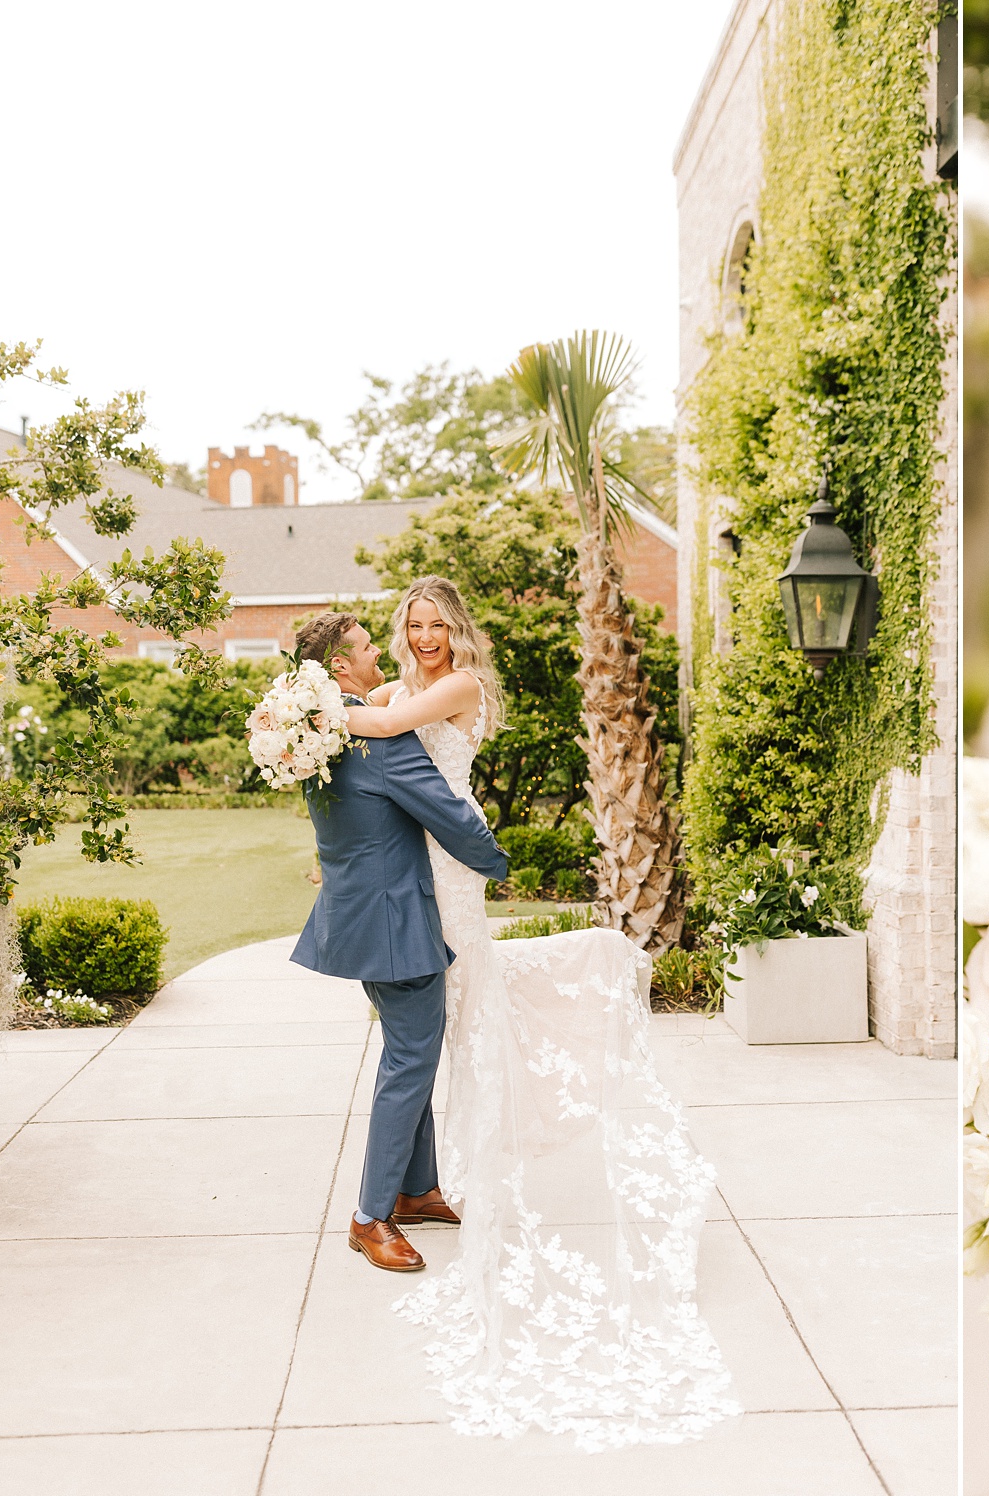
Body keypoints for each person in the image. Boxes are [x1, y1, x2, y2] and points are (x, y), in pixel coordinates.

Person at [340, 577, 738, 1450]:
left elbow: (373, 724)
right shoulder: (404, 684)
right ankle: (415, 1189)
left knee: (440, 1025)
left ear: (458, 628)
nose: (426, 635)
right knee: (430, 1029)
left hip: (451, 867)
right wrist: (335, 699)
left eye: (436, 622)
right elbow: (369, 703)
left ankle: (397, 1198)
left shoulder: (458, 688)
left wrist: (314, 716)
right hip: (421, 868)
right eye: (414, 625)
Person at [287, 611, 508, 1274]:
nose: (380, 654)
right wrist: (496, 859)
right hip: (398, 918)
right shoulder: (378, 740)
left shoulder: (310, 734)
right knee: (411, 1057)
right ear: (341, 670)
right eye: (362, 649)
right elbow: (444, 809)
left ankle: (417, 1188)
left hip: (358, 907)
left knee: (411, 1047)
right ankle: (369, 1216)